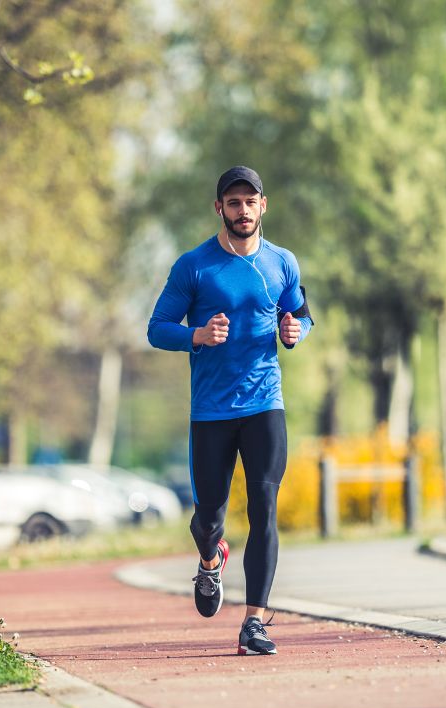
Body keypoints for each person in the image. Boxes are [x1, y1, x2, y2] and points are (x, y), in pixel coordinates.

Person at [146, 166, 313, 655]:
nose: (243, 211)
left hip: (265, 404)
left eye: (251, 201)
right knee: (208, 519)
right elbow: (157, 328)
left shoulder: (283, 263)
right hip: (212, 413)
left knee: (264, 509)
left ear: (264, 205)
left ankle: (255, 622)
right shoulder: (194, 266)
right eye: (233, 203)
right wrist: (195, 335)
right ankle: (211, 557)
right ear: (219, 208)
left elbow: (301, 314)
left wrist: (295, 332)